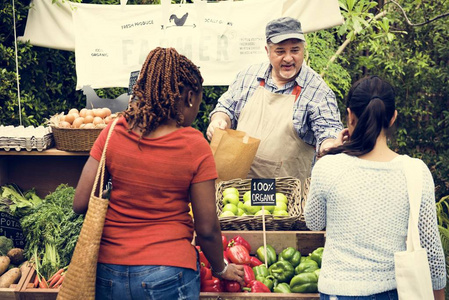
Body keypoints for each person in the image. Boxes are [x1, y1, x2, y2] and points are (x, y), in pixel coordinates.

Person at [73, 47, 245, 300]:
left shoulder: (114, 132)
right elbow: (207, 228)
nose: (196, 110)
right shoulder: (195, 145)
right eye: (198, 102)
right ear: (189, 97)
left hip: (108, 272)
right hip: (169, 273)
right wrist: (221, 268)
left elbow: (80, 203)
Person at [304, 76, 446, 299]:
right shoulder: (415, 171)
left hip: (337, 292)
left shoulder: (328, 167)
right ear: (392, 118)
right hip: (393, 291)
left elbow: (314, 222)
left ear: (350, 116)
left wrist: (332, 153)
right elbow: (432, 250)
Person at [206, 17, 343, 183]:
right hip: (239, 194)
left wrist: (329, 144)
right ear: (267, 51)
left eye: (295, 50)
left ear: (303, 49)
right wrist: (219, 120)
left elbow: (328, 130)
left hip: (288, 199)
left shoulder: (317, 91)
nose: (288, 58)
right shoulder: (248, 77)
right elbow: (225, 108)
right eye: (280, 51)